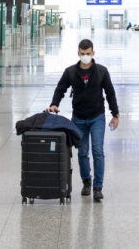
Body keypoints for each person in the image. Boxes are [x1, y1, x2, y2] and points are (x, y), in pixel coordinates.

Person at [48, 39, 119, 202]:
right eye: (82, 53)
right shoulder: (71, 72)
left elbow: (110, 93)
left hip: (97, 117)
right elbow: (60, 89)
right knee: (82, 152)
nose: (85, 56)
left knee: (98, 150)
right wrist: (54, 104)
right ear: (78, 53)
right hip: (79, 118)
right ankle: (87, 181)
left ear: (93, 53)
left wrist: (115, 115)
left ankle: (98, 187)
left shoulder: (101, 71)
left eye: (88, 53)